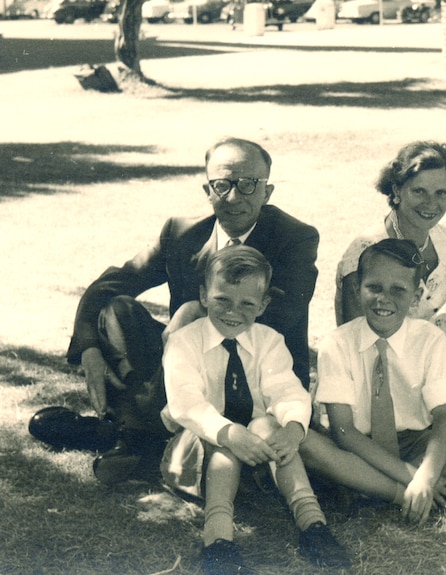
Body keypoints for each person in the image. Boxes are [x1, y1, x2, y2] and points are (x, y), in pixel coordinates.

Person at [29, 137, 319, 481]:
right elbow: (111, 285)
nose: (234, 196)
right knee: (119, 311)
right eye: (222, 185)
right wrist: (89, 347)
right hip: (189, 370)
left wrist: (194, 310)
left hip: (256, 373)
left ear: (267, 192)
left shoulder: (296, 238)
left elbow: (278, 315)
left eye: (248, 185)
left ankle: (127, 435)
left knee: (189, 348)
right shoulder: (182, 232)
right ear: (207, 190)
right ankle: (142, 435)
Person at [160, 246, 349, 573]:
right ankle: (218, 542)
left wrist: (292, 428)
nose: (233, 312)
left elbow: (286, 390)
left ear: (262, 306)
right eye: (223, 300)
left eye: (247, 303)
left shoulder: (269, 341)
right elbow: (186, 402)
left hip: (260, 453)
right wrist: (228, 432)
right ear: (204, 296)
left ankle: (313, 525)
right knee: (223, 440)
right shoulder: (184, 342)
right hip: (197, 451)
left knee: (269, 426)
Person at [315, 239, 446, 524]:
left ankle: (365, 486)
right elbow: (344, 431)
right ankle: (403, 490)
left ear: (417, 296)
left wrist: (426, 473)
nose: (384, 298)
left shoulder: (430, 339)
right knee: (308, 446)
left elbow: (444, 418)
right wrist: (416, 478)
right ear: (357, 290)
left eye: (398, 290)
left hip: (414, 443)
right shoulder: (337, 343)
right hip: (357, 446)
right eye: (374, 287)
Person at [334, 140, 446, 428]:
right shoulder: (368, 251)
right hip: (382, 369)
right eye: (419, 191)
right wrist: (441, 369)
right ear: (396, 190)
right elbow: (361, 341)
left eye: (441, 193)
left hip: (431, 352)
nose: (431, 204)